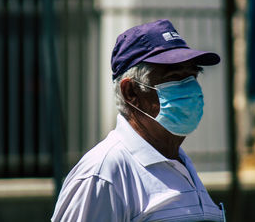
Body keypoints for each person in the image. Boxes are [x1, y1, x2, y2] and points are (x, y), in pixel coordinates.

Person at [51, 19, 226, 221]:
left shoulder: (180, 163)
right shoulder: (104, 174)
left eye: (192, 76)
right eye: (174, 76)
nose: (189, 88)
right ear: (131, 92)